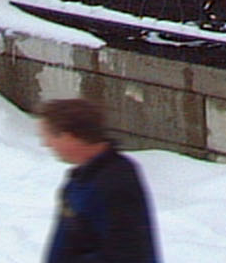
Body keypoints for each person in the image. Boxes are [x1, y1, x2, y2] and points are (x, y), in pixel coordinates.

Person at [38, 97, 159, 263]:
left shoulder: (115, 182)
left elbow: (128, 253)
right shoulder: (80, 179)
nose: (46, 144)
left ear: (69, 136)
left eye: (49, 136)